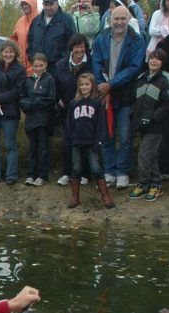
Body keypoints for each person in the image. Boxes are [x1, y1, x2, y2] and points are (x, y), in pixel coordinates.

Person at [93, 5, 146, 189]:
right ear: (110, 19)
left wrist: (111, 85)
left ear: (129, 19)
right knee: (106, 134)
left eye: (123, 18)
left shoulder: (136, 40)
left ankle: (122, 172)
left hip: (125, 96)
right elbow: (96, 63)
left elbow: (134, 68)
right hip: (105, 95)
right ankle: (109, 170)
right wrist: (103, 89)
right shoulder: (101, 38)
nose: (119, 22)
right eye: (116, 18)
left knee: (125, 136)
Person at [128, 49, 169, 201]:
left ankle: (144, 182)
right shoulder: (141, 78)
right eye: (151, 58)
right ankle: (154, 183)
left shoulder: (164, 81)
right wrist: (136, 118)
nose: (153, 61)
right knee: (152, 155)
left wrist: (152, 118)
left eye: (157, 59)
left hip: (156, 126)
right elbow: (135, 102)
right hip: (142, 125)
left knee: (144, 154)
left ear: (162, 63)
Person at [66, 72, 114, 207]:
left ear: (92, 86)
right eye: (81, 85)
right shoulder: (73, 103)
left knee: (96, 168)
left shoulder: (97, 103)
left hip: (91, 141)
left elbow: (100, 125)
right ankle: (75, 196)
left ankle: (106, 195)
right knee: (76, 168)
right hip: (76, 141)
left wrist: (98, 141)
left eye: (87, 84)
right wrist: (69, 140)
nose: (84, 87)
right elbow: (69, 124)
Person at [0, 41, 27, 185]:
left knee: (10, 145)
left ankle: (11, 175)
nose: (8, 54)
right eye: (5, 52)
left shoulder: (20, 70)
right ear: (1, 53)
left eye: (11, 52)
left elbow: (17, 91)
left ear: (15, 53)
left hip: (10, 113)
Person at [55, 34, 93, 185]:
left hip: (86, 109)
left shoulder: (91, 63)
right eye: (77, 46)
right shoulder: (62, 65)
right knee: (68, 142)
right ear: (71, 48)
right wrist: (58, 99)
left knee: (85, 141)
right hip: (67, 110)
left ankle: (84, 173)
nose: (80, 49)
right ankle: (67, 172)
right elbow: (56, 85)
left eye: (82, 46)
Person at [20, 52, 57, 185]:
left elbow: (51, 100)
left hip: (44, 120)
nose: (38, 68)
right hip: (31, 120)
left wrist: (34, 103)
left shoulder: (49, 79)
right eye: (35, 65)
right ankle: (31, 174)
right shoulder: (28, 81)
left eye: (41, 65)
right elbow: (22, 99)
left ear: (45, 65)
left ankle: (42, 175)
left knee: (43, 148)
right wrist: (31, 104)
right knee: (32, 148)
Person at [28, 0, 77, 72]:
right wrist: (32, 59)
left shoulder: (67, 20)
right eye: (46, 4)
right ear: (42, 4)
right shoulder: (36, 21)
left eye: (51, 4)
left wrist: (62, 61)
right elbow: (30, 43)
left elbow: (73, 43)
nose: (48, 7)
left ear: (57, 4)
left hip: (58, 68)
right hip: (39, 68)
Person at [11, 0, 41, 68]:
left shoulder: (41, 21)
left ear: (33, 4)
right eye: (23, 4)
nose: (24, 6)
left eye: (26, 4)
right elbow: (13, 39)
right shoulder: (20, 21)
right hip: (20, 65)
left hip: (36, 66)